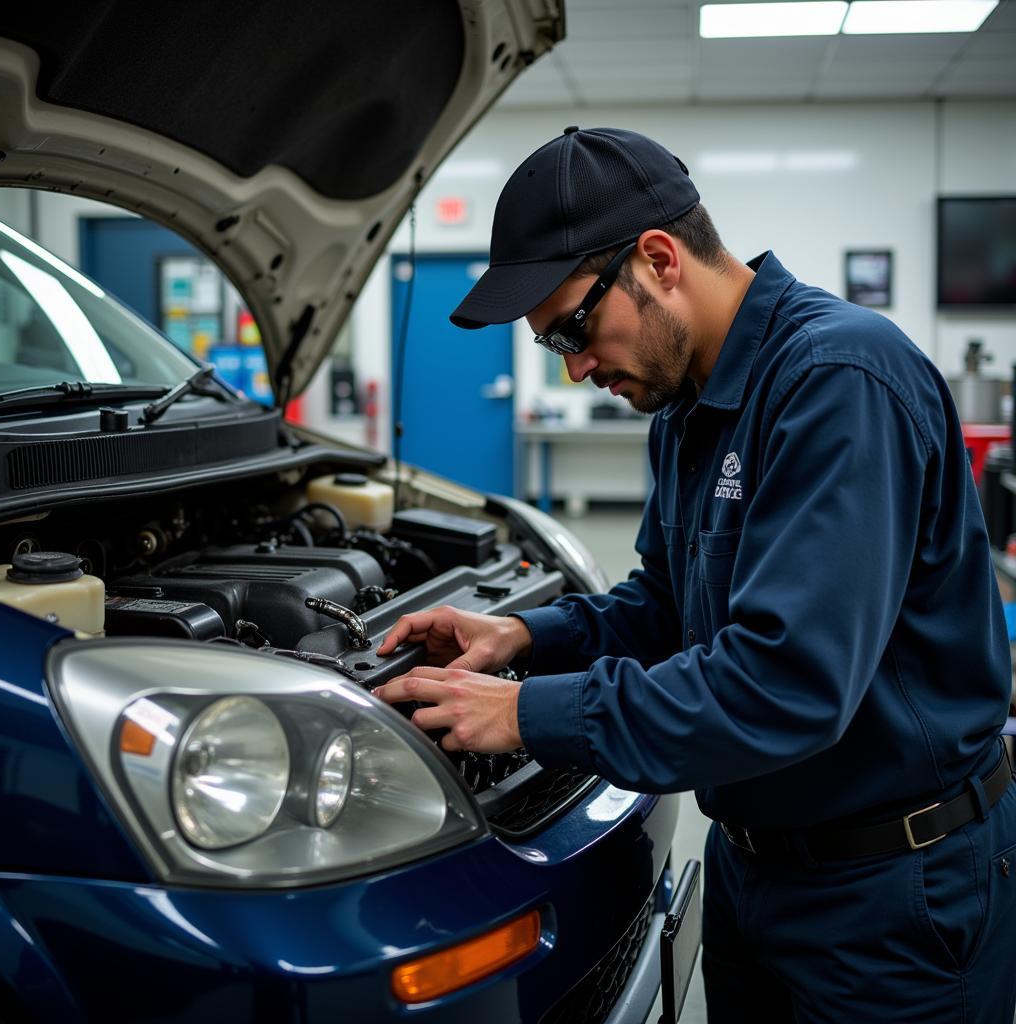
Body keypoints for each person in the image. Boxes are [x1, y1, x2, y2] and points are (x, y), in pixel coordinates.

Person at [374, 126, 1016, 1022]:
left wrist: (525, 715)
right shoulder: (686, 408)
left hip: (892, 895)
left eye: (575, 328)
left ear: (660, 259)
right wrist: (523, 637)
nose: (580, 366)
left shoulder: (839, 380)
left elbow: (784, 681)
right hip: (754, 872)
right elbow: (671, 606)